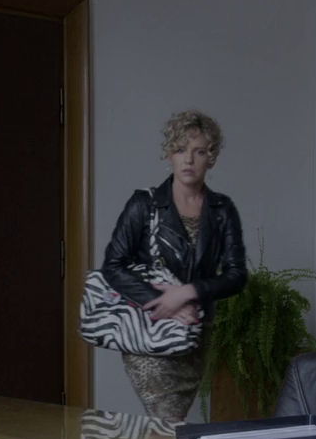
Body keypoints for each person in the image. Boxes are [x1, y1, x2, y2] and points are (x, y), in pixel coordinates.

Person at [101, 110, 248, 421]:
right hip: (150, 329)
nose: (188, 160)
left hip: (195, 329)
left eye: (199, 151)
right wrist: (162, 301)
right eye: (180, 150)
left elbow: (237, 276)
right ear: (169, 154)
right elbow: (113, 267)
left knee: (170, 422)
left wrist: (188, 292)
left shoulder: (222, 209)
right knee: (167, 418)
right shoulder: (144, 204)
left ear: (212, 157)